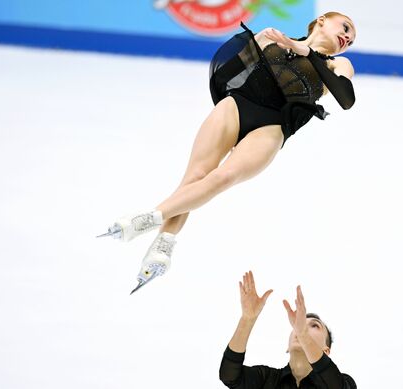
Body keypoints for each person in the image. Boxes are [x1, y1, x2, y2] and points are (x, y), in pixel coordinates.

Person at [98, 12, 357, 293]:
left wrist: (305, 51)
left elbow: (346, 99)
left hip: (271, 126)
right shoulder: (275, 38)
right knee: (196, 175)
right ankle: (162, 249)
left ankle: (149, 218)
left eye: (351, 39)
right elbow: (227, 73)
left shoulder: (337, 64)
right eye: (345, 28)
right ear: (321, 21)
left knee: (222, 178)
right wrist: (260, 45)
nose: (347, 38)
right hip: (237, 106)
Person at [220, 271, 356, 389]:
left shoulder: (343, 382)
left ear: (326, 351)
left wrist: (303, 334)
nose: (301, 328)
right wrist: (247, 319)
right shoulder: (266, 379)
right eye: (299, 325)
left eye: (314, 326)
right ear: (287, 347)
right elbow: (230, 376)